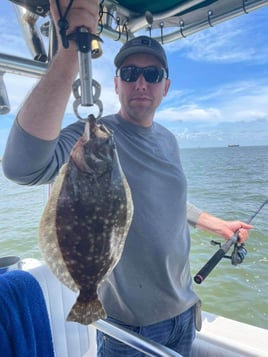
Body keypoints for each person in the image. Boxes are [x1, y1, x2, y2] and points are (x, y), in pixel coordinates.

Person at [2, 1, 253, 356]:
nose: (141, 82)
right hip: (130, 327)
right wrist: (68, 56)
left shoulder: (168, 138)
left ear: (165, 87)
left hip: (184, 311)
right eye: (131, 72)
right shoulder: (95, 136)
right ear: (116, 83)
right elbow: (21, 167)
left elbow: (167, 199)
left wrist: (217, 225)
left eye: (152, 76)